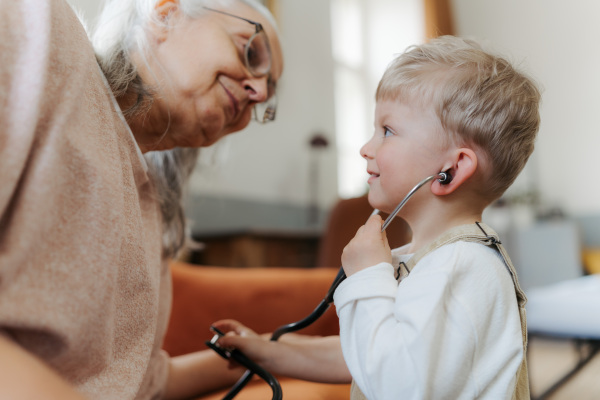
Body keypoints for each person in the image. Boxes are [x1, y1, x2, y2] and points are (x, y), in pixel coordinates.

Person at [215, 35, 540, 399]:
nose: (366, 148)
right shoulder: (429, 258)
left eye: (387, 130)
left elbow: (396, 384)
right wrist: (269, 351)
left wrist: (369, 276)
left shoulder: (462, 266)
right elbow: (366, 352)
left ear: (451, 169)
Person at [0, 0, 282, 398]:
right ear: (165, 12)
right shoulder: (38, 27)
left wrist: (280, 352)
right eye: (251, 52)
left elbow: (140, 382)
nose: (259, 91)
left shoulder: (152, 210)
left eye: (269, 94)